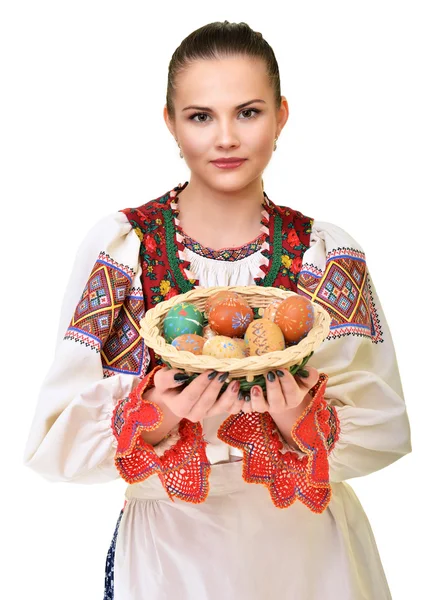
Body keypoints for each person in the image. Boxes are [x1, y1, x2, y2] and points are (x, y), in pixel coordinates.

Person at [23, 20, 412, 600]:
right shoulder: (122, 252)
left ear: (281, 116)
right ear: (171, 124)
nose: (225, 137)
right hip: (172, 558)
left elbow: (385, 427)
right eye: (201, 116)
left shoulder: (328, 257)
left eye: (248, 112)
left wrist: (295, 426)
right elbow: (53, 444)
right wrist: (152, 417)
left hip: (308, 555)